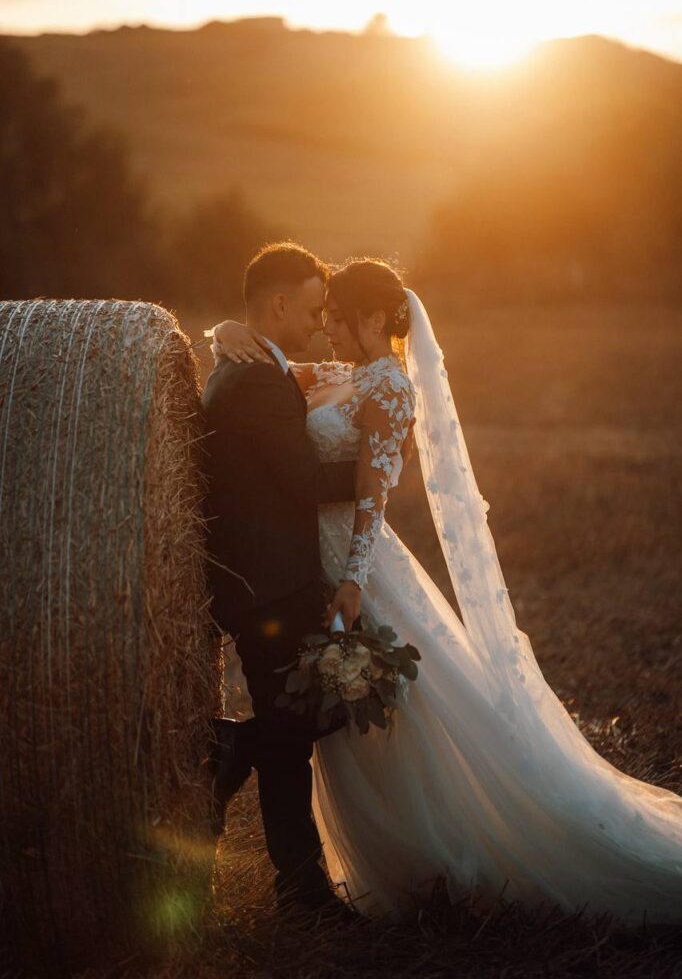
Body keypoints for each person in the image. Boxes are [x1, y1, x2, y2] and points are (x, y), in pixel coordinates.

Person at [210, 256, 682, 926]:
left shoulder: (392, 387)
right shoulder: (347, 373)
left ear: (374, 317)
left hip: (353, 562)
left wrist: (354, 568)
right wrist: (226, 326)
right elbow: (284, 374)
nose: (327, 331)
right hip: (310, 559)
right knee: (340, 705)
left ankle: (434, 845)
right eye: (323, 317)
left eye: (338, 318)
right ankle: (328, 862)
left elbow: (371, 497)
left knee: (380, 699)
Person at [201, 242, 360, 922]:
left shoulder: (250, 364)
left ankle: (300, 884)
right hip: (270, 582)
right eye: (314, 309)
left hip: (266, 577)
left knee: (300, 728)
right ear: (278, 304)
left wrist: (217, 330)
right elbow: (303, 481)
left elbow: (326, 378)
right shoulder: (255, 379)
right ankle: (234, 748)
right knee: (304, 724)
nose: (320, 323)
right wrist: (379, 467)